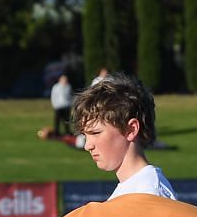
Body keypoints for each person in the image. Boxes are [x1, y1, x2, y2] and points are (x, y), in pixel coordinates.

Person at [72, 71, 175, 201]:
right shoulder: (132, 190)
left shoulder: (149, 193)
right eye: (85, 135)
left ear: (131, 130)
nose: (87, 146)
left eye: (95, 133)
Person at [49, 69, 74, 138]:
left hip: (66, 106)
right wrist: (54, 105)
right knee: (57, 120)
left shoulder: (68, 86)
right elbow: (53, 96)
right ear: (60, 80)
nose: (65, 81)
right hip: (58, 106)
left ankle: (67, 132)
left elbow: (70, 96)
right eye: (63, 79)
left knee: (66, 120)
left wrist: (71, 104)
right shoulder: (56, 87)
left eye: (65, 79)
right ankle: (56, 133)